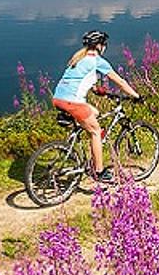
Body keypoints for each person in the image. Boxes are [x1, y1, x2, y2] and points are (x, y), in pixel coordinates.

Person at [52, 30, 140, 183]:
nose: (105, 47)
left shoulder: (78, 58)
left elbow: (81, 80)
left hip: (58, 98)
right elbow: (120, 82)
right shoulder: (97, 61)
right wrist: (137, 96)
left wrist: (99, 91)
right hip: (73, 102)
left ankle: (86, 141)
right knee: (96, 132)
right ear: (99, 46)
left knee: (95, 112)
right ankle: (99, 172)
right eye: (104, 44)